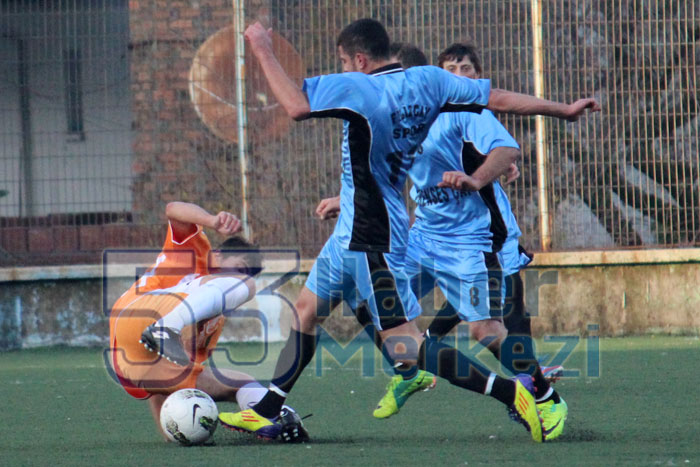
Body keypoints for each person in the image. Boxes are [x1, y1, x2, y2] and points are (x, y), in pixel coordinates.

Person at [219, 18, 600, 443]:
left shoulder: (360, 88)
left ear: (359, 59)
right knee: (307, 310)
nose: (342, 68)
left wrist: (261, 47)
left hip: (373, 235)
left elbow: (295, 106)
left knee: (409, 343)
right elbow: (496, 97)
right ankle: (267, 410)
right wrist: (562, 110)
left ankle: (513, 392)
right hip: (362, 228)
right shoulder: (428, 81)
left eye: (343, 61)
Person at [317, 42, 567, 439]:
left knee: (486, 329)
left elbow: (507, 148)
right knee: (361, 291)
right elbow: (387, 174)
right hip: (422, 237)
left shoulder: (460, 111)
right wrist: (343, 199)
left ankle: (546, 397)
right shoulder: (395, 118)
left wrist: (476, 178)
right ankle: (408, 372)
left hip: (469, 241)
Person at [108, 201, 308, 442]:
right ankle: (165, 327)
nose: (240, 277)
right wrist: (212, 221)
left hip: (133, 366)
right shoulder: (195, 250)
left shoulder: (212, 318)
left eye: (245, 272)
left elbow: (172, 373)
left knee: (241, 383)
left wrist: (170, 433)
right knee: (246, 286)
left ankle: (272, 419)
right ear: (218, 254)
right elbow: (173, 209)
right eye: (240, 267)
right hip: (136, 313)